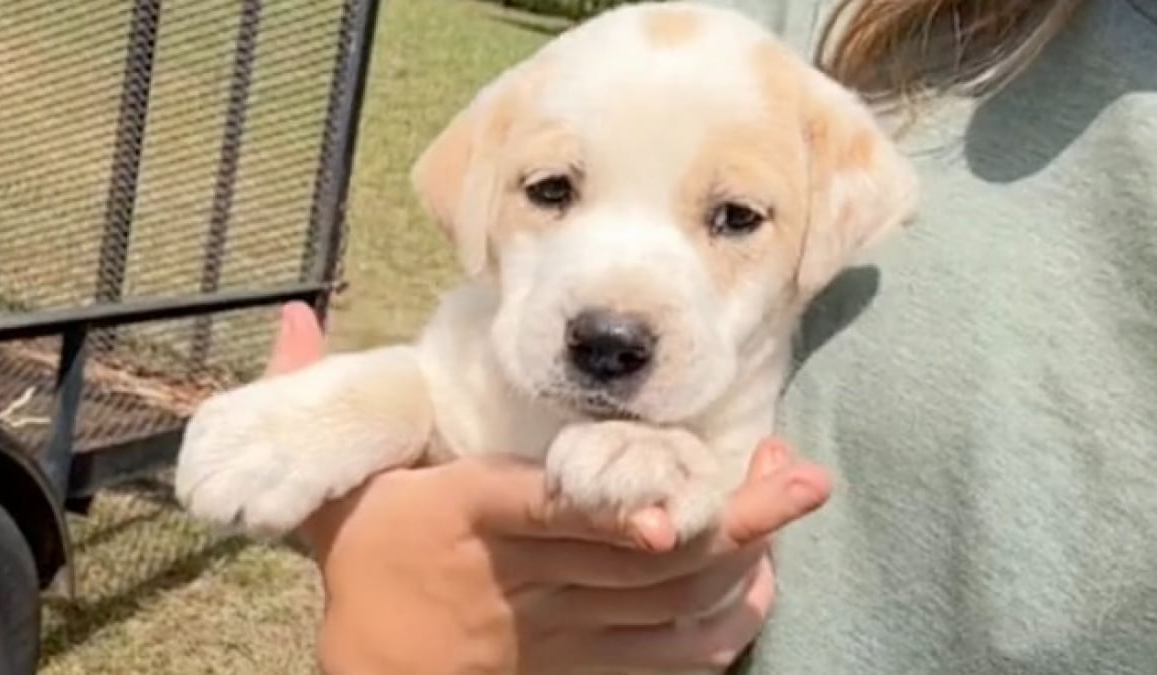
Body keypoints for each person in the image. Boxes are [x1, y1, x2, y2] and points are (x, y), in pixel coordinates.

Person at [271, 0, 1157, 671]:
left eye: (733, 215)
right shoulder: (778, 25)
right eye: (552, 190)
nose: (616, 320)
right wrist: (386, 581)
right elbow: (456, 387)